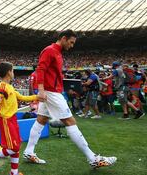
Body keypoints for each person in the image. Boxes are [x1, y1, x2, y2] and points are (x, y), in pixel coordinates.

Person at [23, 30, 116, 169]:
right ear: (64, 38)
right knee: (70, 121)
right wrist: (41, 90)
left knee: (41, 119)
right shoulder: (50, 50)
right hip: (51, 92)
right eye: (71, 42)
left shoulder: (58, 52)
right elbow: (40, 69)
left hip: (51, 91)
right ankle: (93, 159)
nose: (72, 45)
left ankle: (29, 152)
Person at [0, 62, 41, 175]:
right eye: (13, 70)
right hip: (6, 120)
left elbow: (21, 97)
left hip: (12, 119)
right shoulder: (3, 87)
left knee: (16, 146)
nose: (14, 73)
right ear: (9, 73)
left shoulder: (9, 87)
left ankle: (14, 172)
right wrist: (1, 113)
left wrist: (37, 97)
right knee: (13, 148)